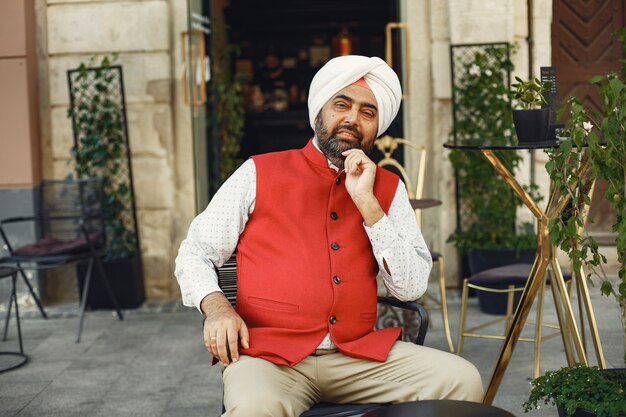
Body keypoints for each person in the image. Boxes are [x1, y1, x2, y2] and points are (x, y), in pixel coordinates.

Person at [175, 55, 483, 417]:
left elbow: (411, 287)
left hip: (359, 355)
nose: (353, 118)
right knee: (255, 409)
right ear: (319, 111)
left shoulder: (388, 189)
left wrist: (368, 204)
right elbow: (194, 252)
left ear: (376, 127)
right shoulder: (258, 172)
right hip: (270, 357)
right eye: (342, 104)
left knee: (462, 380)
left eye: (368, 113)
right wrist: (217, 309)